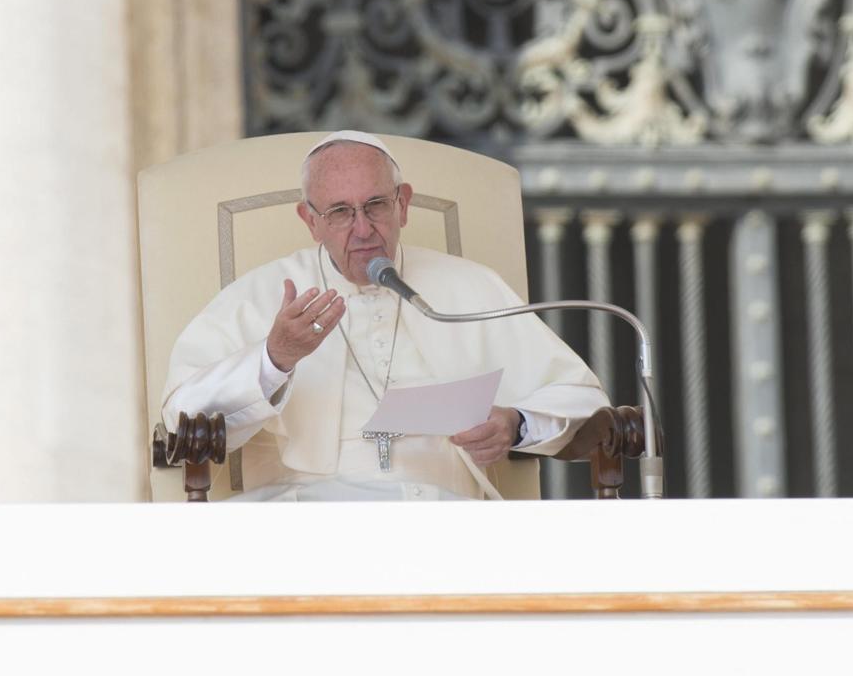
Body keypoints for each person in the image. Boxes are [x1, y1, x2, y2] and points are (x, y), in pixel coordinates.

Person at [161, 130, 608, 500]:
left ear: (403, 204)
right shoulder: (260, 296)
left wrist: (517, 423)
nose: (362, 229)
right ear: (310, 220)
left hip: (445, 516)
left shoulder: (468, 286)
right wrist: (274, 358)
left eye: (376, 205)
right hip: (306, 520)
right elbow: (181, 419)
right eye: (339, 212)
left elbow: (584, 401)